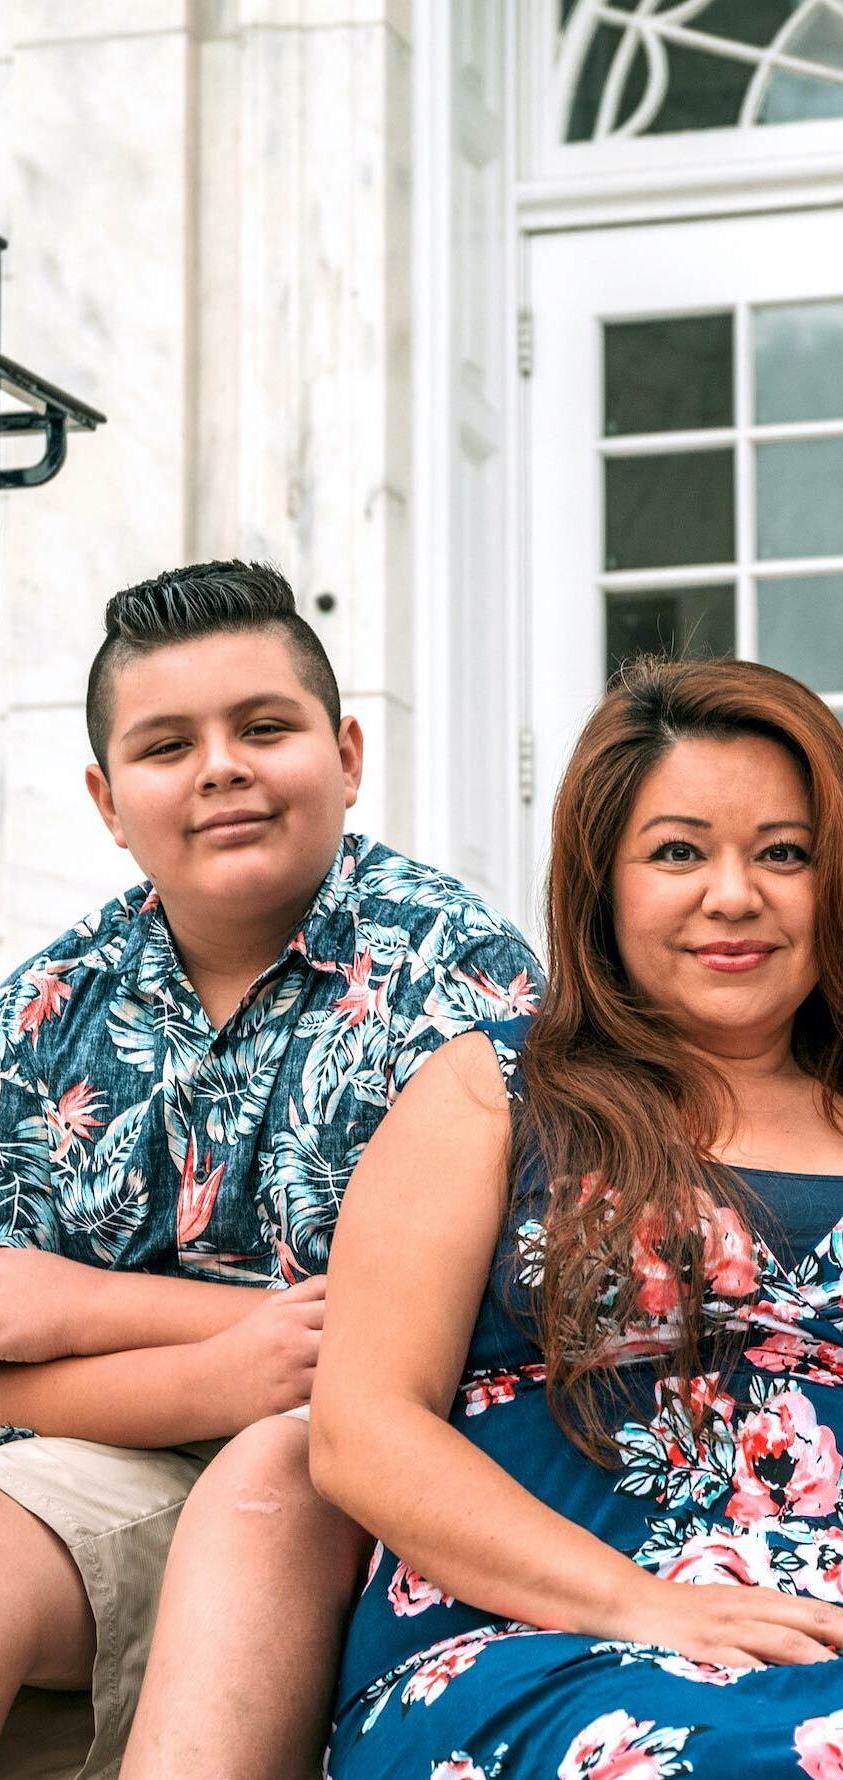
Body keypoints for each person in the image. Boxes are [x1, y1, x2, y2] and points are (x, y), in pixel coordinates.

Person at [309, 657, 843, 1779]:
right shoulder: (494, 1089)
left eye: (783, 853)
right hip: (542, 1646)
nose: (734, 894)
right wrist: (651, 1606)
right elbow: (363, 1427)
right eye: (677, 852)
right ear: (601, 882)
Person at [0, 561, 543, 1780]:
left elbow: (432, 1343)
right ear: (106, 798)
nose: (220, 768)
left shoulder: (454, 977)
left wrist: (77, 1317)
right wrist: (223, 1353)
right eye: (165, 745)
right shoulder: (45, 1008)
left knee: (270, 1467)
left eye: (264, 727)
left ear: (346, 753)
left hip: (363, 1469)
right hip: (103, 1456)